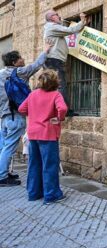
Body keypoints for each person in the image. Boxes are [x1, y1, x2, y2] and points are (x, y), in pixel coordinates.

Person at [0, 42, 52, 187]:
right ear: (14, 62)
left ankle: (3, 172)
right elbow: (37, 65)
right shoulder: (20, 72)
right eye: (20, 58)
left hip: (4, 117)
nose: (23, 59)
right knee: (9, 147)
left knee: (4, 146)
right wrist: (46, 50)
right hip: (16, 116)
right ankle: (2, 177)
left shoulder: (1, 74)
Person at [18, 69, 68, 204]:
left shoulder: (33, 95)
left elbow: (21, 109)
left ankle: (33, 193)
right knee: (50, 165)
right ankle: (51, 195)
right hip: (48, 134)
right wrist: (58, 118)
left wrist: (34, 114)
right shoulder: (55, 95)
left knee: (34, 164)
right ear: (55, 81)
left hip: (33, 134)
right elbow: (62, 109)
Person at [44, 10, 88, 116]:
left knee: (52, 86)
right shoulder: (52, 27)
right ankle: (65, 110)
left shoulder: (52, 27)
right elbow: (70, 30)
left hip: (52, 60)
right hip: (54, 61)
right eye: (57, 15)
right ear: (51, 18)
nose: (59, 16)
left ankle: (52, 110)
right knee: (60, 85)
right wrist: (82, 21)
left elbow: (65, 27)